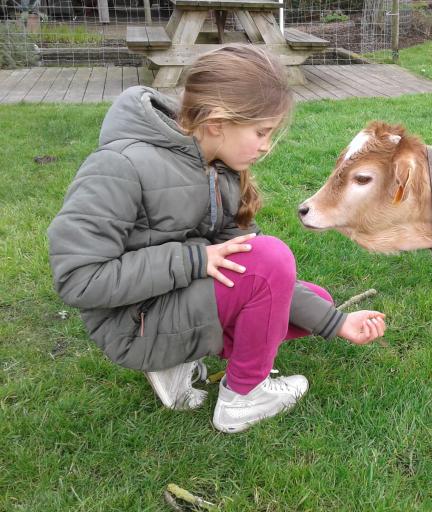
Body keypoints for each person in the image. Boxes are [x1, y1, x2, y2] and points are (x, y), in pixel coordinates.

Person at [47, 44, 387, 434]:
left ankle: (174, 363)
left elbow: (254, 269)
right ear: (216, 122)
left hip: (165, 306)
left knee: (312, 301)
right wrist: (195, 259)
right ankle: (244, 398)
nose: (266, 145)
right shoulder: (119, 166)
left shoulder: (219, 169)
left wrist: (336, 321)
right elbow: (78, 279)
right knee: (272, 259)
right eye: (261, 132)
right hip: (131, 325)